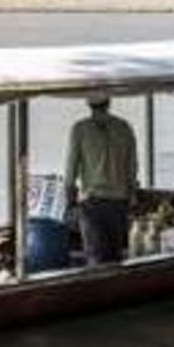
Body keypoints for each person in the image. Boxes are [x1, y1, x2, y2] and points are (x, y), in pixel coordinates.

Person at [65, 96, 138, 265]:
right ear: (109, 102)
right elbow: (132, 166)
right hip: (119, 202)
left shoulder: (80, 129)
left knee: (95, 257)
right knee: (116, 256)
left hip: (92, 203)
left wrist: (70, 202)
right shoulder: (124, 127)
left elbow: (71, 168)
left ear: (88, 104)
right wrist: (132, 196)